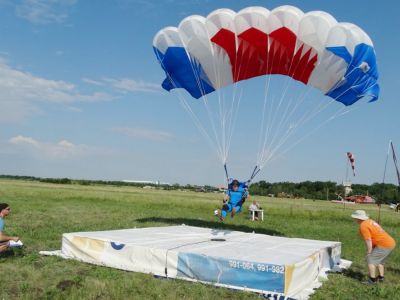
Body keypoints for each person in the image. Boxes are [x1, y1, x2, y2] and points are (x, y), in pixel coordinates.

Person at [351, 210, 396, 284]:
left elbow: (368, 240)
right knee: (380, 261)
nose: (354, 219)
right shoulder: (370, 221)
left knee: (371, 260)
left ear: (358, 218)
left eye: (354, 218)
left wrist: (369, 252)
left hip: (383, 244)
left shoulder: (363, 226)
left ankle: (372, 280)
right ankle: (381, 278)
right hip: (390, 242)